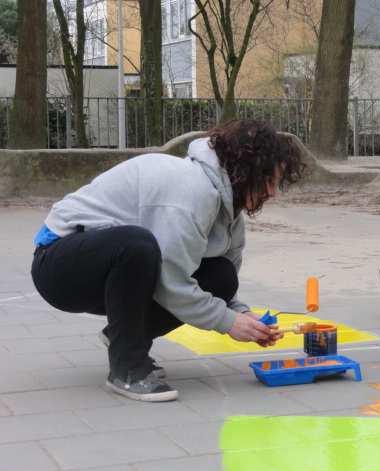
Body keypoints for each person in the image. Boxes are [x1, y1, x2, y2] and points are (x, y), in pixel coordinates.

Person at [31, 120, 306, 402]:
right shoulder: (192, 192)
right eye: (269, 181)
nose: (272, 192)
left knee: (221, 276)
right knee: (137, 246)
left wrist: (242, 314)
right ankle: (127, 368)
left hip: (109, 267)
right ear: (246, 171)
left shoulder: (229, 211)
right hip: (57, 264)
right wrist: (228, 322)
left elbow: (219, 281)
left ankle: (123, 337)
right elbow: (171, 283)